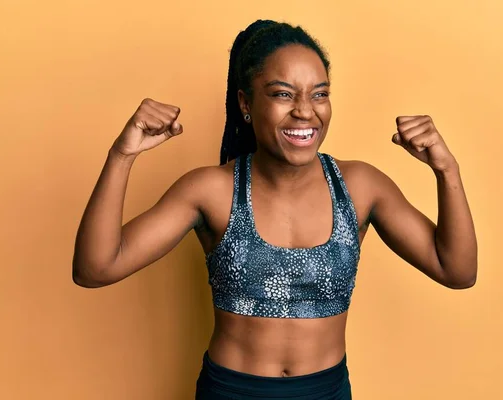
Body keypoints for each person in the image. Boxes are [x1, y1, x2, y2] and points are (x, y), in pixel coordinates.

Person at [72, 19, 477, 400]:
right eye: (283, 94)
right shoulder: (211, 190)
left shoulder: (359, 186)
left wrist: (447, 170)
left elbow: (455, 270)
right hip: (231, 391)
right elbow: (96, 268)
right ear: (246, 104)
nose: (305, 111)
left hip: (327, 391)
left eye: (319, 93)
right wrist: (122, 155)